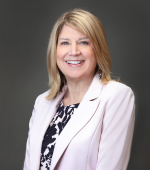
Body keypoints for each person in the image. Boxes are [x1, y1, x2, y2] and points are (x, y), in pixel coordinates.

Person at [23, 9, 135, 170]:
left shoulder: (117, 96)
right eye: (65, 42)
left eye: (84, 42)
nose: (74, 51)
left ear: (98, 49)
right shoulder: (42, 102)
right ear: (55, 51)